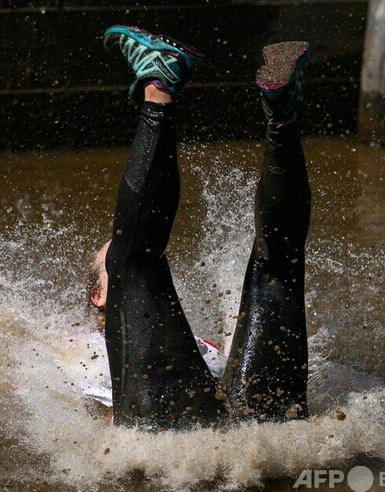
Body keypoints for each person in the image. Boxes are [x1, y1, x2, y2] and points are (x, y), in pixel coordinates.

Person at [88, 25, 311, 430]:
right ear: (97, 296)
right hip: (253, 425)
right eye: (109, 267)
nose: (117, 257)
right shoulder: (72, 350)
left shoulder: (193, 343)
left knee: (277, 269)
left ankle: (271, 108)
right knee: (279, 272)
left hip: (188, 426)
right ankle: (282, 114)